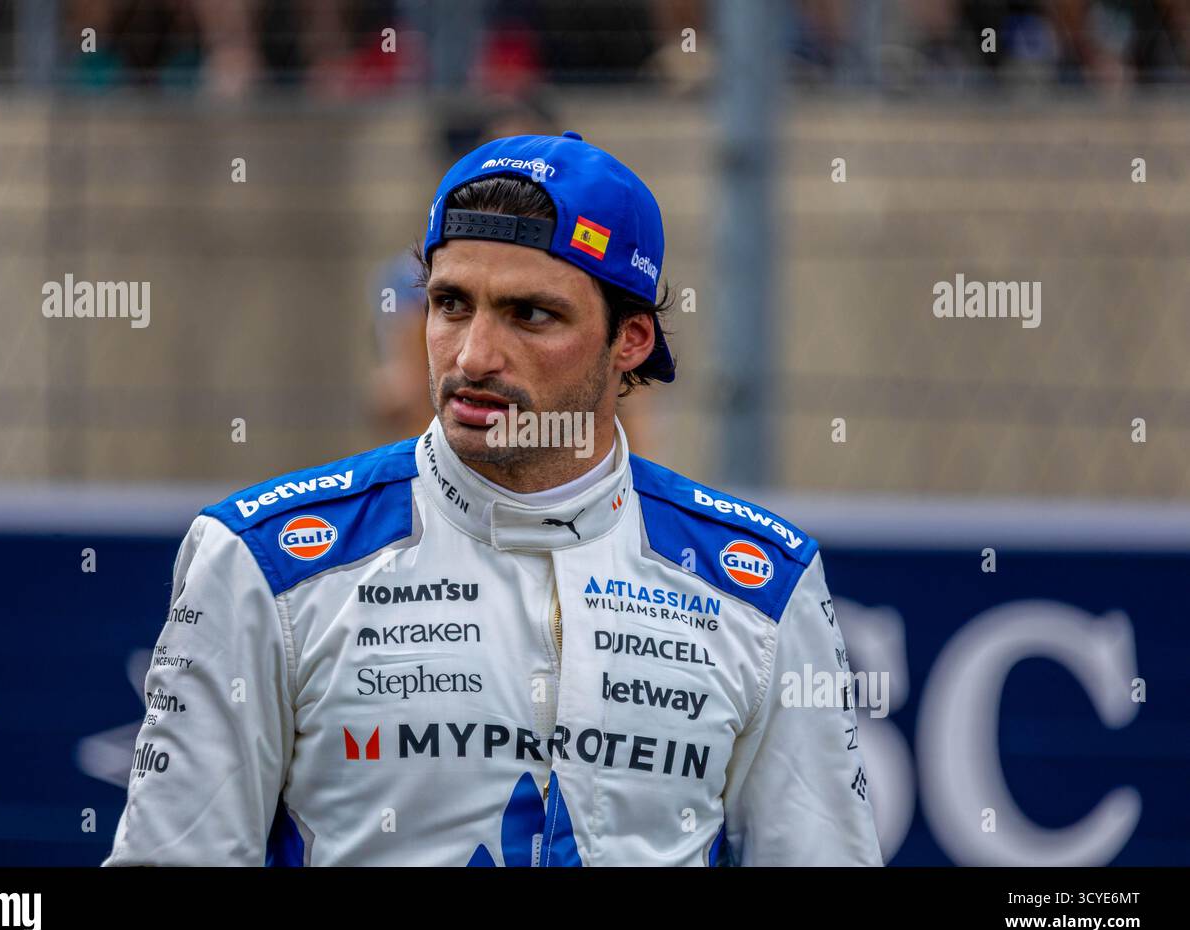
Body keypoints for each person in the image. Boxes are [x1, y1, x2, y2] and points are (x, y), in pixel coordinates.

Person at [104, 131, 883, 866]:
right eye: (450, 304)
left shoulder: (762, 583)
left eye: (531, 315)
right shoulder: (262, 562)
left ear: (632, 341)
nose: (473, 356)